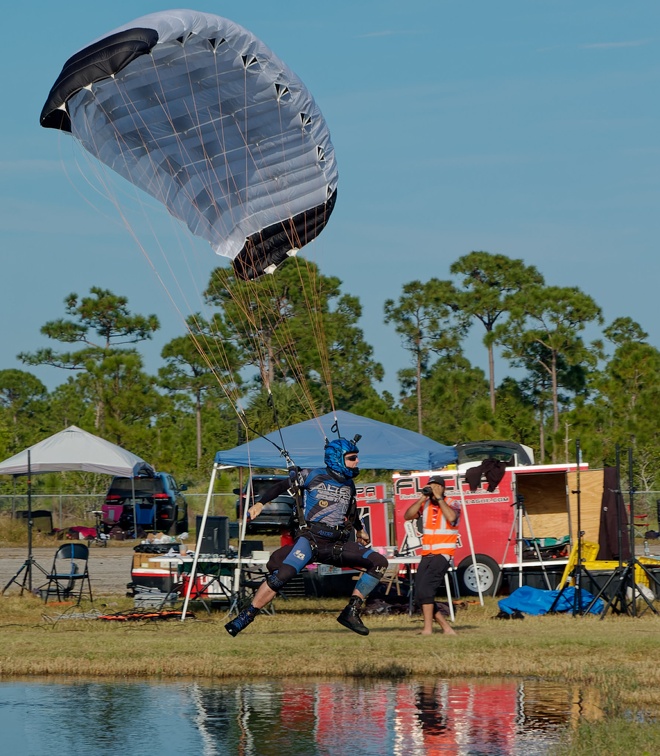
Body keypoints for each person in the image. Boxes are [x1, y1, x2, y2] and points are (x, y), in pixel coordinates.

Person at [225, 438, 389, 637]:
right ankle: (247, 616)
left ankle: (351, 611)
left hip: (335, 544)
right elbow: (281, 486)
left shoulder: (349, 484)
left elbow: (351, 510)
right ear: (338, 459)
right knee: (281, 576)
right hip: (310, 541)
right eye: (352, 458)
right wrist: (260, 503)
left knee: (379, 562)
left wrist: (360, 529)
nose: (357, 461)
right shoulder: (311, 475)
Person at [404, 475, 459, 635]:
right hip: (427, 553)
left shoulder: (452, 503)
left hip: (443, 553)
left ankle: (428, 629)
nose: (433, 489)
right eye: (431, 486)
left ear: (443, 488)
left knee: (427, 590)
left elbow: (452, 517)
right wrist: (422, 498)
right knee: (420, 593)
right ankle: (447, 628)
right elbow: (408, 516)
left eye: (436, 486)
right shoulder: (426, 503)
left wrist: (440, 498)